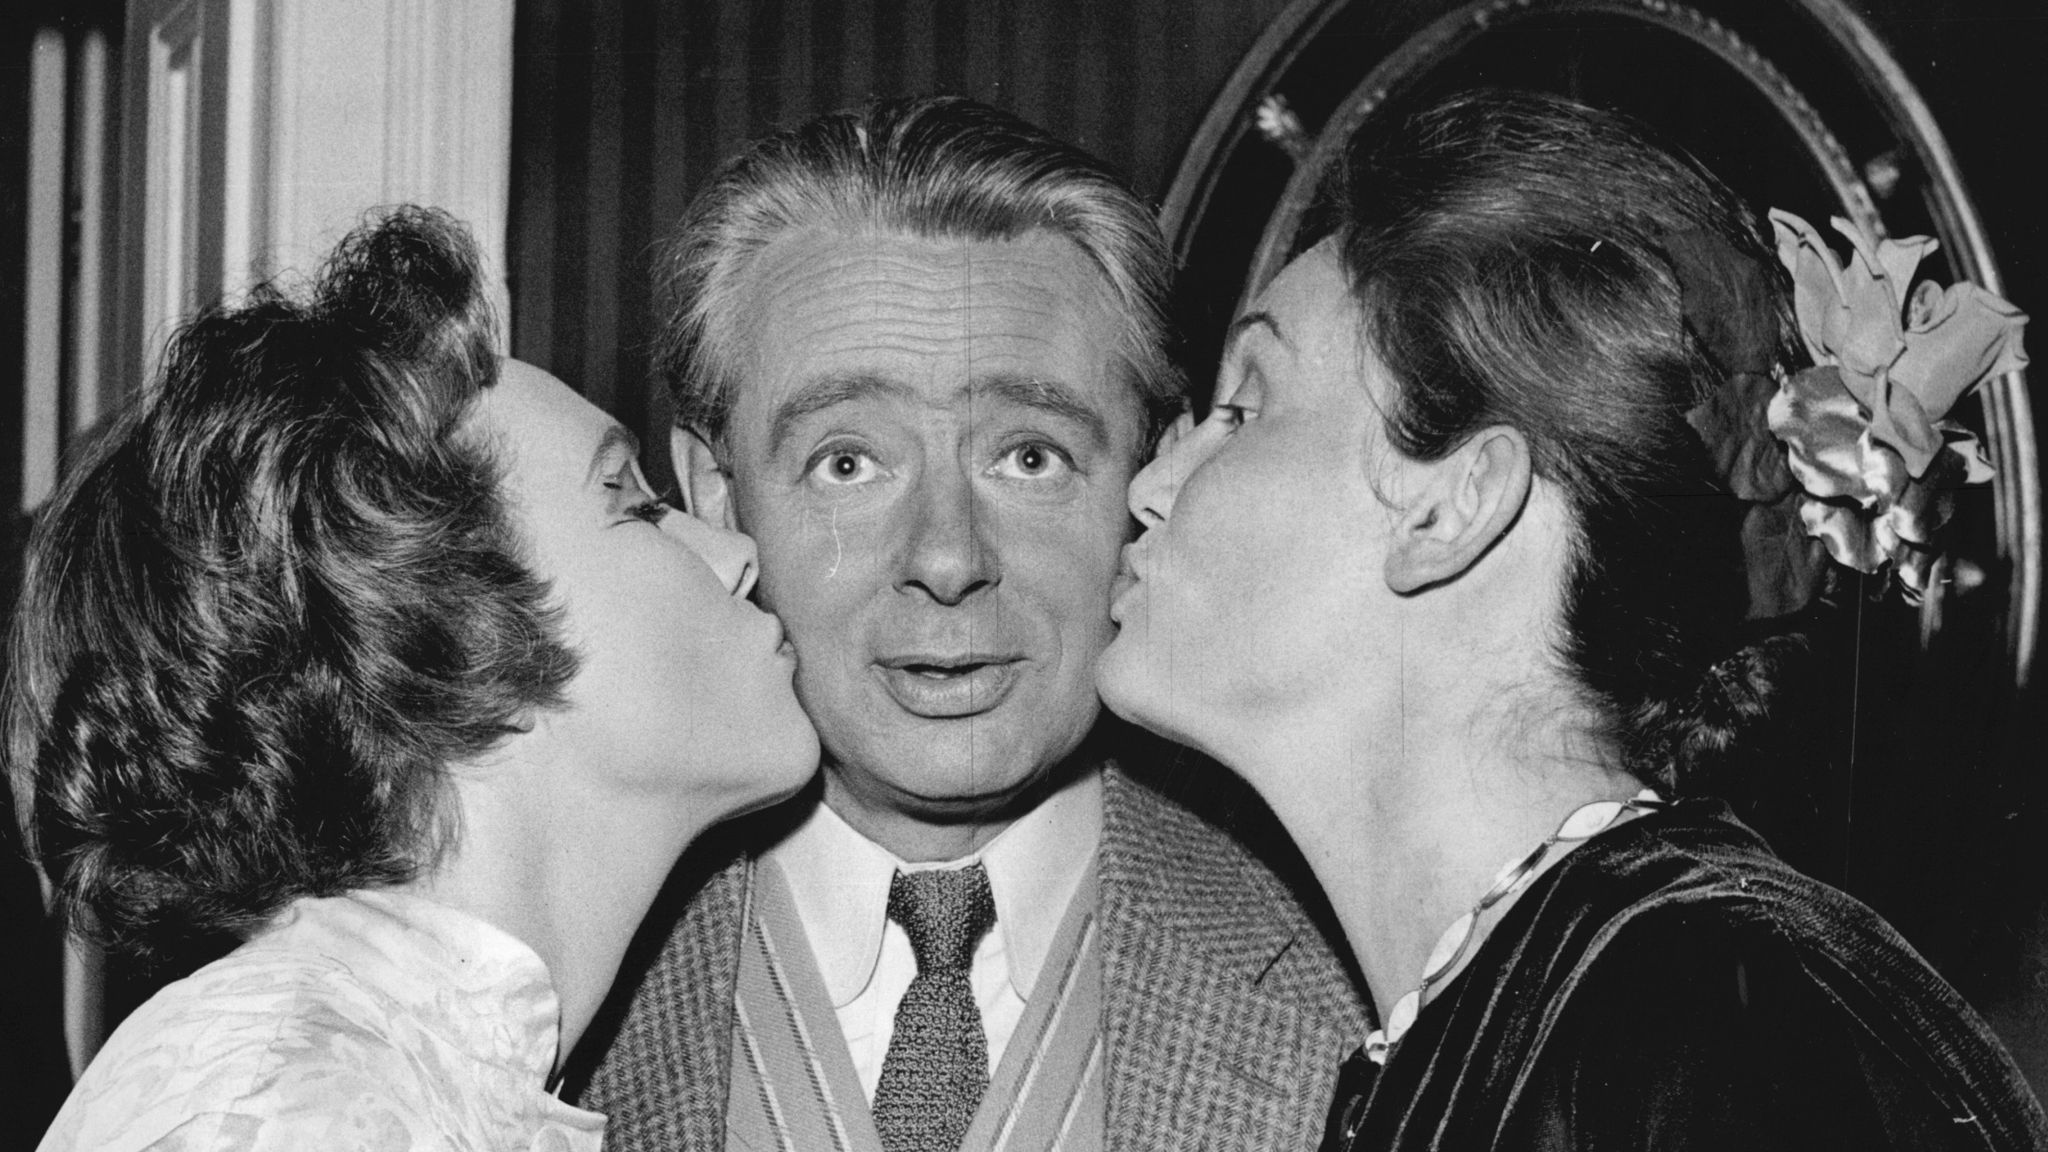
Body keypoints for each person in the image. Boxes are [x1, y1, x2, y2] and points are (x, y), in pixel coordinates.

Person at [1097, 89, 2048, 1150]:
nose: (1152, 482)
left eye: (1243, 406)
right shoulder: (1541, 1001)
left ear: (1450, 507)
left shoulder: (1707, 1011)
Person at [575, 96, 1370, 1152]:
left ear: (1157, 476)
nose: (946, 559)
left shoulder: (1358, 996)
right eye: (847, 463)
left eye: (1028, 456)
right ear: (717, 498)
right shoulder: (539, 996)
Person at [9, 208, 820, 1151]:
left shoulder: (393, 1074)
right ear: (437, 621)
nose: (733, 553)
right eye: (633, 502)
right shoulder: (291, 1104)